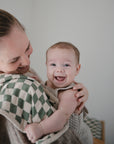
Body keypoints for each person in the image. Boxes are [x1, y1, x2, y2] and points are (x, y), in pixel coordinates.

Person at [0, 9, 88, 144]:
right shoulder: (21, 87)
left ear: (77, 69)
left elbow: (61, 111)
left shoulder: (69, 92)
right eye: (14, 60)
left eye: (27, 47)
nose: (27, 62)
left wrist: (81, 93)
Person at [24, 42, 93, 144]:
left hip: (77, 139)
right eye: (53, 64)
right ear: (46, 66)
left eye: (66, 65)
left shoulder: (70, 94)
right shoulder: (48, 83)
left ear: (77, 69)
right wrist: (38, 83)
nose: (59, 69)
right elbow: (48, 93)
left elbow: (62, 117)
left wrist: (40, 129)